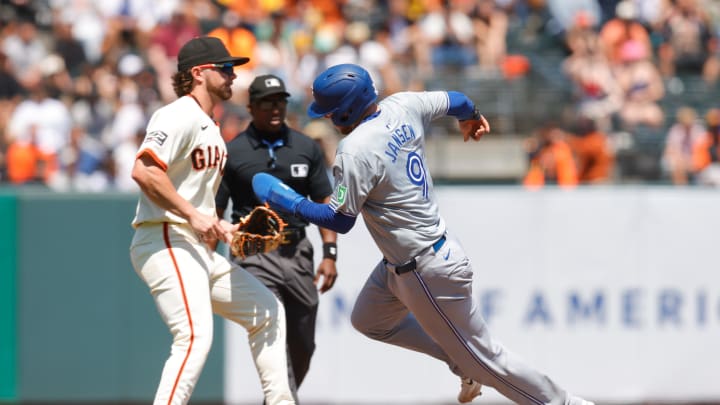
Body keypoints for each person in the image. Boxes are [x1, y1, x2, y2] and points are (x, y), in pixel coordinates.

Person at [251, 63, 594, 405]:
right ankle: (461, 361)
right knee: (369, 320)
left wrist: (288, 200)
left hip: (425, 270)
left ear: (346, 111)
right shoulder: (402, 105)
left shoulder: (355, 149)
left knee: (488, 359)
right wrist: (471, 114)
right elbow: (457, 100)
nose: (326, 119)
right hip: (411, 258)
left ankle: (564, 403)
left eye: (330, 113)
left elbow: (340, 220)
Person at [128, 36, 295, 405]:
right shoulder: (177, 114)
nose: (233, 74)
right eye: (225, 68)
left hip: (193, 245)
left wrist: (224, 228)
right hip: (165, 237)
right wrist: (193, 216)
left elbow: (197, 202)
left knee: (267, 311)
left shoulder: (211, 126)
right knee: (194, 335)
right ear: (199, 73)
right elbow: (143, 171)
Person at [215, 74, 338, 403]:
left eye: (280, 101)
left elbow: (323, 202)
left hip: (297, 249)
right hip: (253, 254)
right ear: (251, 107)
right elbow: (215, 210)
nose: (275, 108)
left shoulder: (305, 147)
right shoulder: (234, 151)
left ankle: (281, 397)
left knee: (303, 342)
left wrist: (330, 252)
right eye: (267, 102)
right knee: (272, 322)